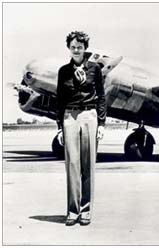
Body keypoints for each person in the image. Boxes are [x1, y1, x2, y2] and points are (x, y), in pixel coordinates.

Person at [56, 31, 106, 226]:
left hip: (89, 116)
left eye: (80, 46)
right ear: (69, 48)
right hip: (69, 116)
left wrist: (101, 124)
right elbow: (59, 100)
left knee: (88, 166)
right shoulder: (63, 72)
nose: (76, 50)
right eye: (73, 46)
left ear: (85, 48)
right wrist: (60, 127)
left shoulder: (95, 69)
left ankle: (86, 211)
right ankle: (72, 211)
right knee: (72, 166)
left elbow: (101, 97)